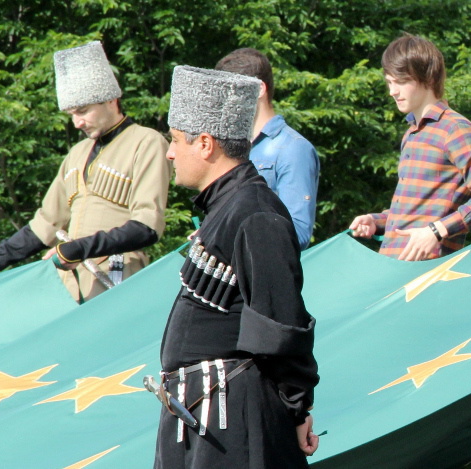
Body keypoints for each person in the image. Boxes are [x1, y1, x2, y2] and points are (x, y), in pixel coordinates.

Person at [152, 65, 319, 469]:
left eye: (175, 140)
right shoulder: (227, 207)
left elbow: (281, 324)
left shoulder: (256, 213)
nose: (170, 152)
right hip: (204, 410)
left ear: (205, 144)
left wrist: (297, 409)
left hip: (232, 417)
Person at [0, 41, 171, 302]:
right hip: (69, 289)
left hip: (118, 279)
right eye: (71, 114)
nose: (77, 123)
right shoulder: (77, 153)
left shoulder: (147, 142)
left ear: (112, 99)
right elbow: (44, 226)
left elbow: (146, 228)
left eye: (83, 111)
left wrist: (79, 248)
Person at [349, 33, 471, 261]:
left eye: (400, 81)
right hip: (393, 264)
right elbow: (415, 211)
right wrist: (377, 221)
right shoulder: (412, 133)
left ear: (427, 77)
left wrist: (437, 231)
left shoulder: (455, 129)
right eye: (389, 82)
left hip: (428, 273)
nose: (392, 91)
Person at [215, 48, 319, 250]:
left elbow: (297, 233)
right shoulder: (231, 147)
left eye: (231, 91)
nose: (223, 102)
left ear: (260, 89)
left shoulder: (294, 148)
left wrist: (228, 235)